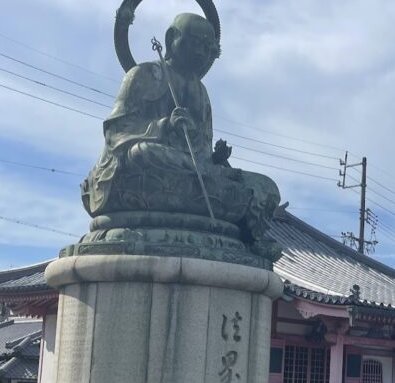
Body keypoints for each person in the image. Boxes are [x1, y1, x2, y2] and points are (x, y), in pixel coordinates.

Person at [81, 13, 280, 254]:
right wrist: (164, 125)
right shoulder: (144, 74)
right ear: (171, 38)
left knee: (265, 186)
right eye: (194, 42)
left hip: (193, 171)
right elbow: (117, 133)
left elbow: (201, 150)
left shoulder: (201, 92)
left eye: (207, 48)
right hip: (149, 164)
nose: (200, 52)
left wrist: (216, 158)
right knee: (143, 153)